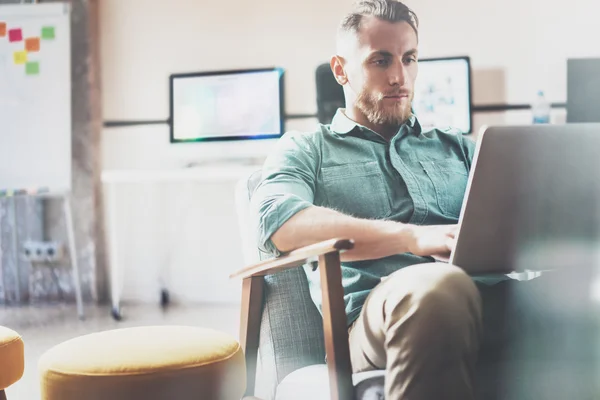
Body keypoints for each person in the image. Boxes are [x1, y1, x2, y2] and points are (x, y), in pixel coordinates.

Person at [250, 1, 538, 398]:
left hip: (492, 297)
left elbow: (526, 218)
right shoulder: (306, 149)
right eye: (380, 61)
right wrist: (411, 238)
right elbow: (279, 221)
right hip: (381, 316)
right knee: (437, 288)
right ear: (340, 69)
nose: (399, 77)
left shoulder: (459, 148)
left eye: (409, 58)